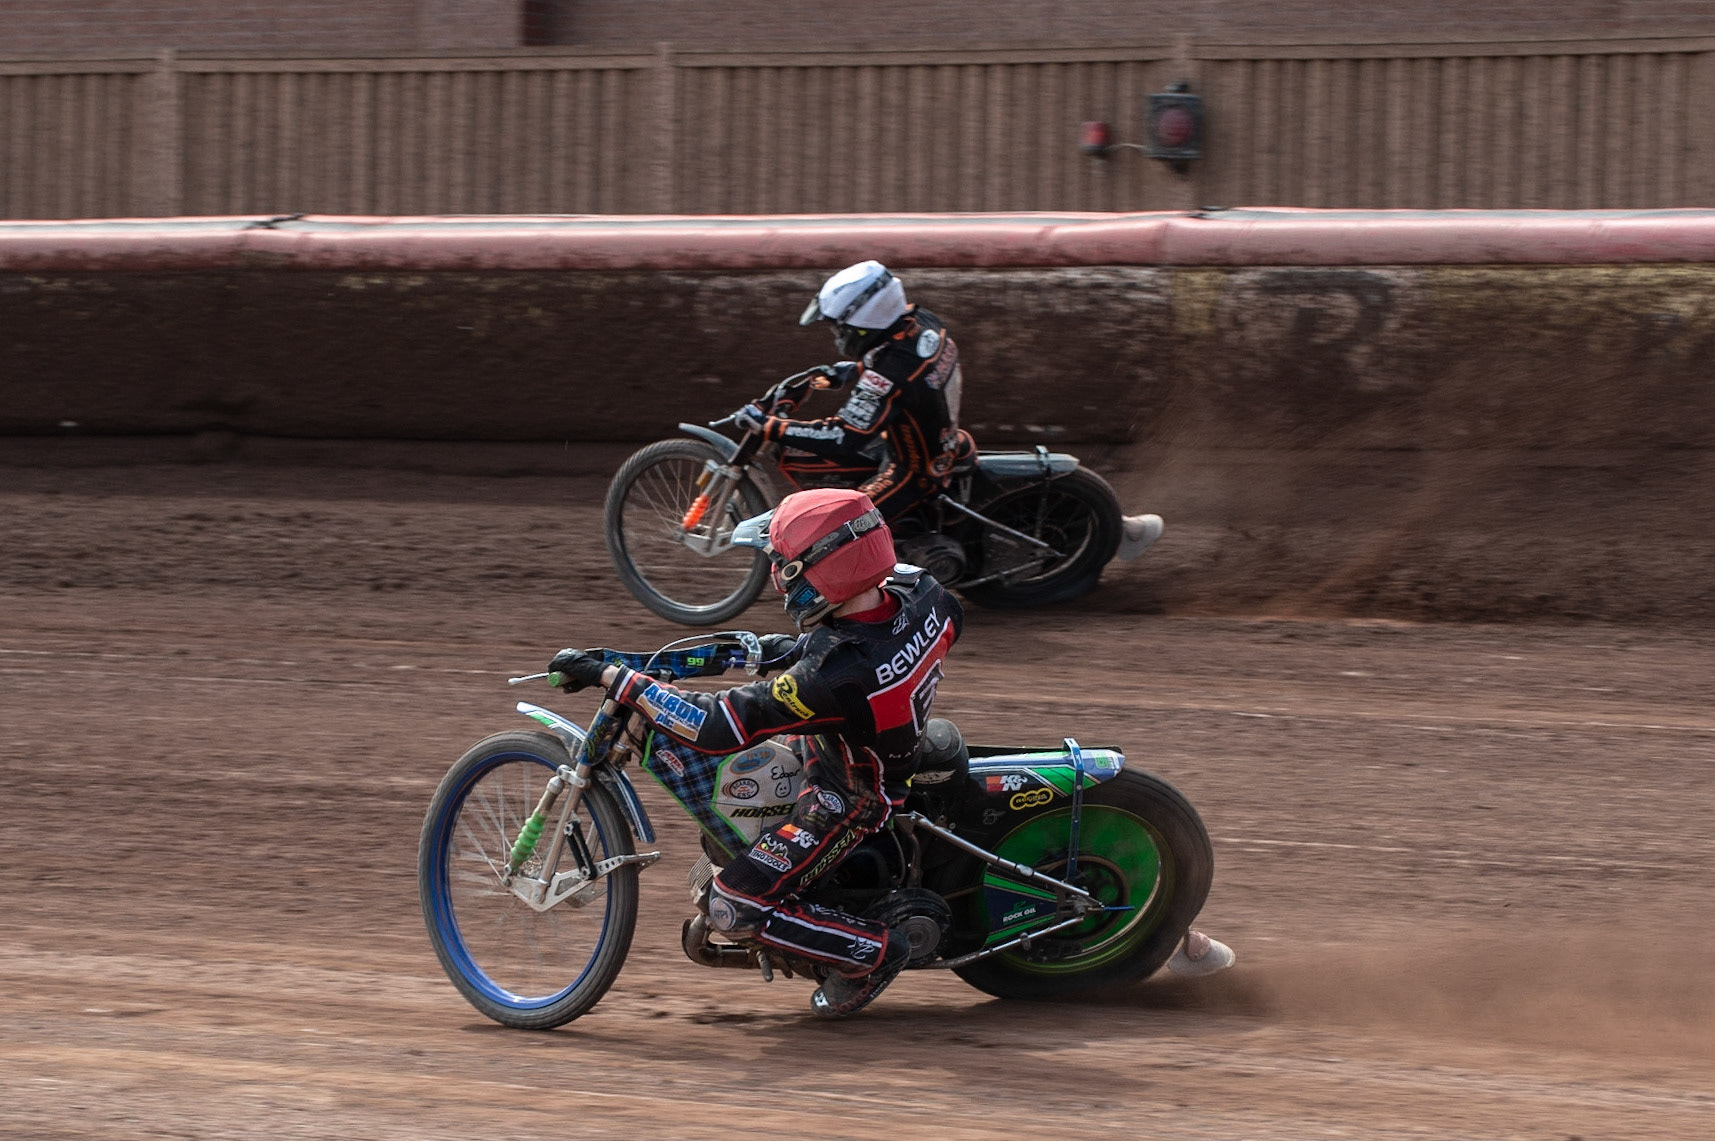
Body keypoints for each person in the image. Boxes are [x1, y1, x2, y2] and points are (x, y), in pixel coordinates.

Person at [547, 487, 963, 1017]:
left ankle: (874, 955)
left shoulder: (833, 675)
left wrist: (617, 678)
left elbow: (717, 725)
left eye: (784, 565)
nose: (775, 573)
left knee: (732, 904)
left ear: (822, 571)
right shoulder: (922, 590)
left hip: (847, 798)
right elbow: (858, 642)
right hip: (868, 739)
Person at [731, 260, 972, 523]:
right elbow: (911, 371)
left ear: (863, 323)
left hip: (914, 474)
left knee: (834, 528)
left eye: (840, 329)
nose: (838, 336)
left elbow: (841, 437)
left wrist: (771, 427)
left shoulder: (888, 373)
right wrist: (848, 372)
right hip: (938, 443)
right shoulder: (923, 322)